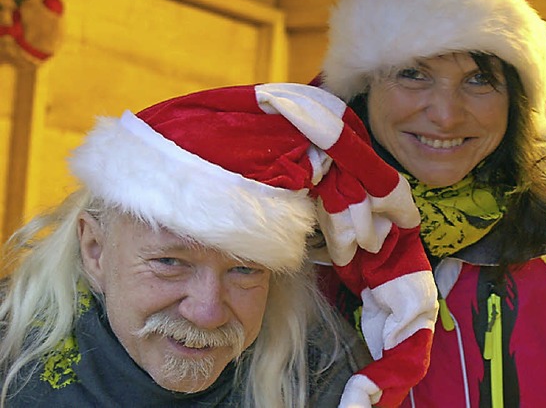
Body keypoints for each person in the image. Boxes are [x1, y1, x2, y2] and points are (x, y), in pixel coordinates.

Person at [0, 83, 439, 407]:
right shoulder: (9, 345)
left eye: (245, 270)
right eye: (170, 261)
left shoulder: (319, 375)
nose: (207, 312)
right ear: (94, 250)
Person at [315, 0, 546, 406]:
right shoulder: (298, 212)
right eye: (413, 73)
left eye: (479, 78)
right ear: (364, 86)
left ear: (518, 97)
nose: (447, 115)